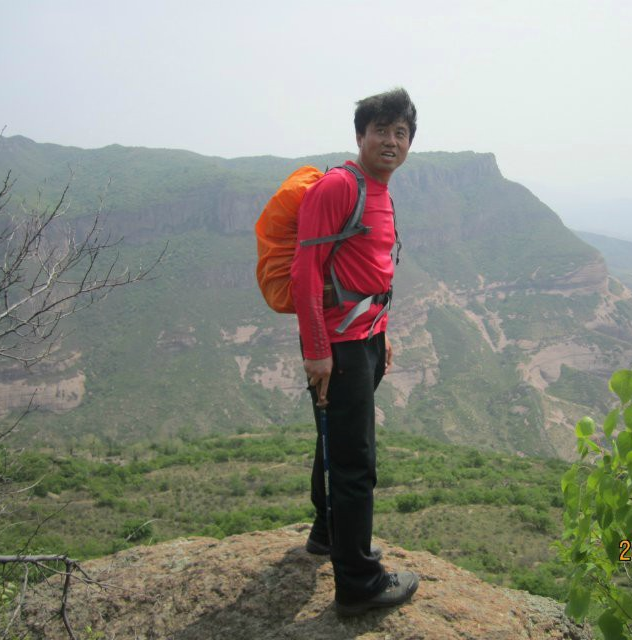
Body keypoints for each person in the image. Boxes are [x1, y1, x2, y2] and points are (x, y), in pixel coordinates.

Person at [290, 87, 419, 616]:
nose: (391, 141)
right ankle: (359, 584)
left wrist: (381, 335)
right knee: (355, 462)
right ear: (360, 135)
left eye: (401, 133)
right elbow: (305, 272)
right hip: (337, 347)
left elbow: (369, 273)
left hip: (363, 339)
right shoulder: (340, 187)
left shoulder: (379, 189)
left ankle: (327, 533)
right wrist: (318, 350)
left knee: (338, 444)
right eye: (381, 130)